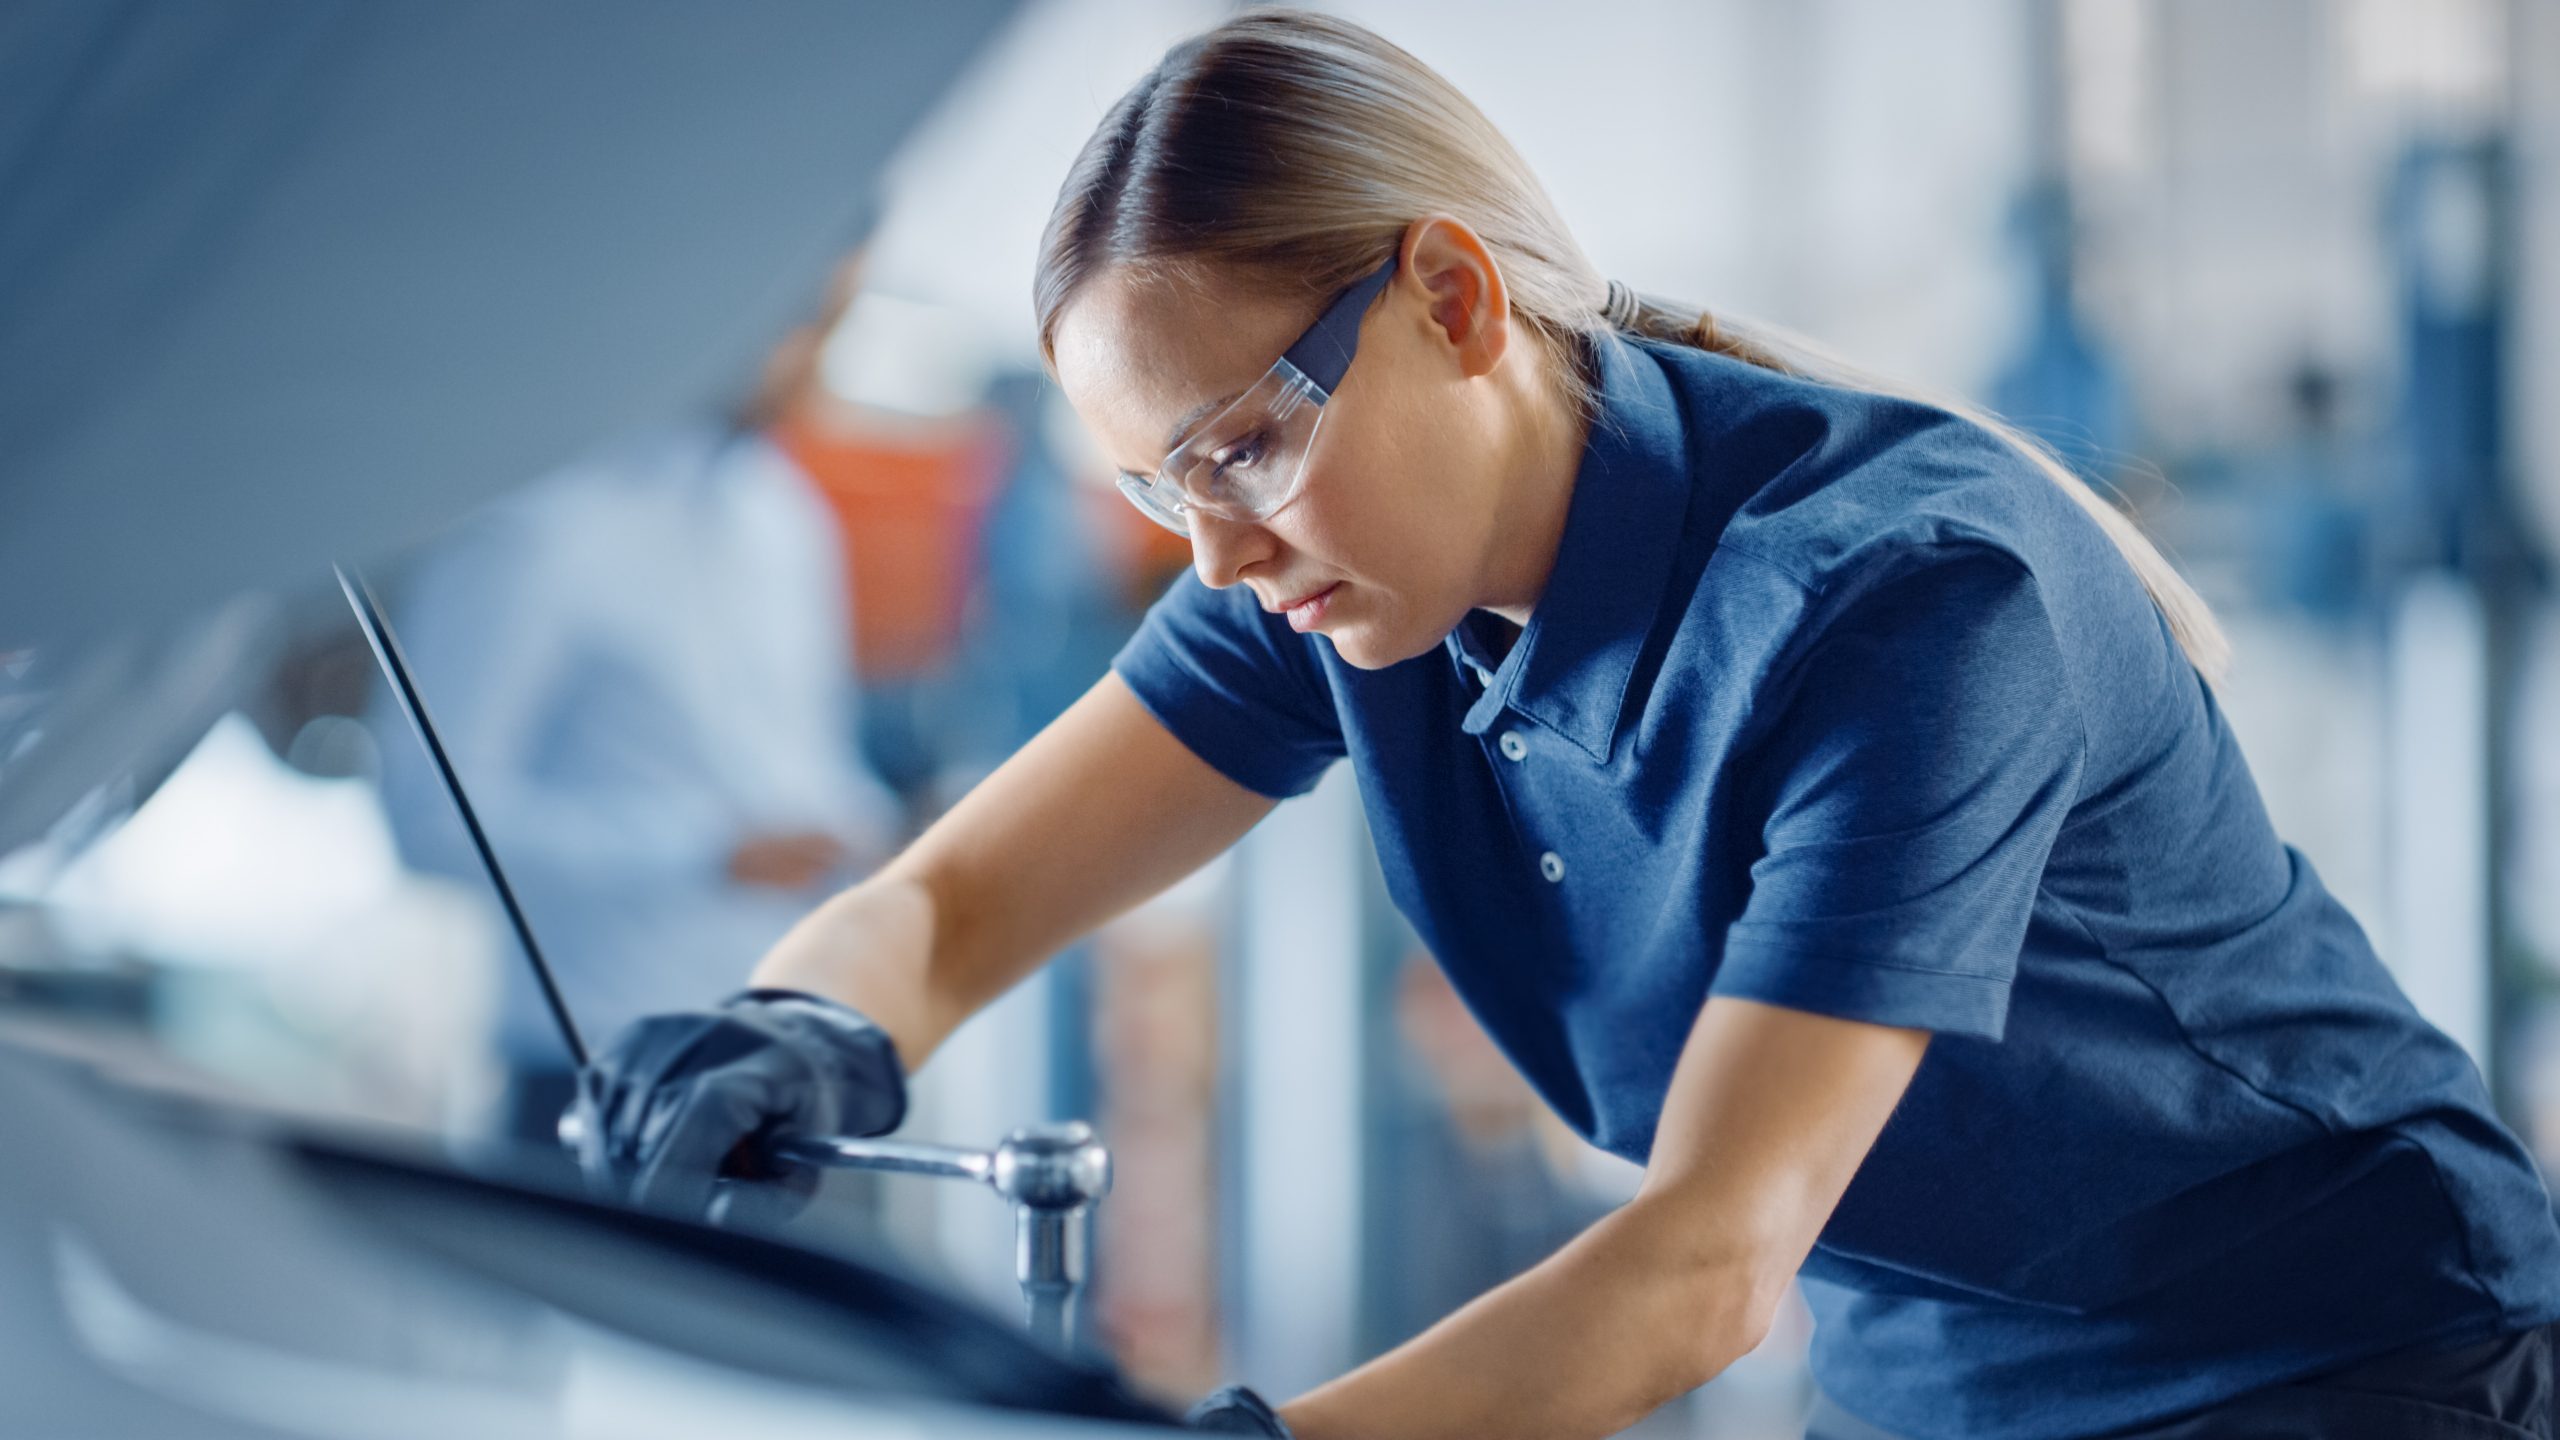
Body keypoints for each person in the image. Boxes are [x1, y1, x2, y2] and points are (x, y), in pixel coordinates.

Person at [572, 12, 2560, 1439]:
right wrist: (811, 1022)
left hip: (2333, 1358)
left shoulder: (1909, 602)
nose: (1221, 552)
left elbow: (1701, 1265)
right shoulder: (1342, 585)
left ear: (1449, 296)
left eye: (1242, 446)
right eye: (1165, 490)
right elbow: (945, 908)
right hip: (1925, 1372)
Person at [384, 248, 901, 1137]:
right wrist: (701, 851)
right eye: (803, 320)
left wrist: (878, 832)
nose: (816, 359)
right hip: (592, 1078)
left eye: (832, 324)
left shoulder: (785, 514)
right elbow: (429, 818)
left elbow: (807, 761)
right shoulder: (538, 526)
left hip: (783, 1067)